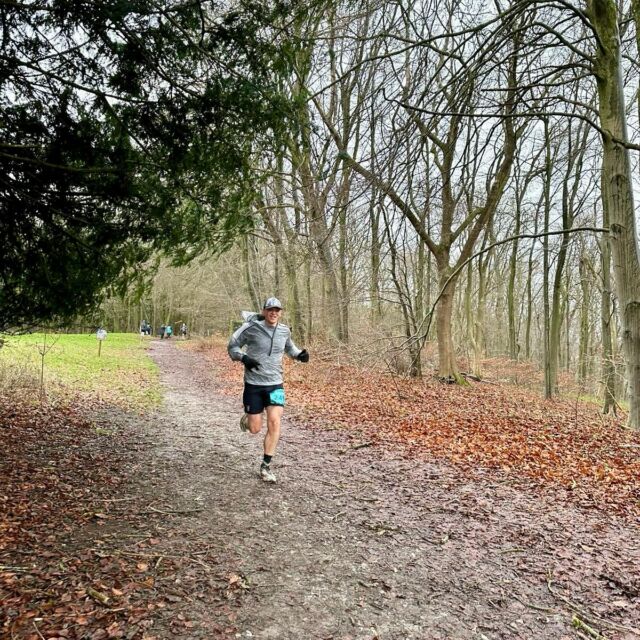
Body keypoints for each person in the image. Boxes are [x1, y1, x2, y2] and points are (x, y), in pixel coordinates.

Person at [228, 297, 309, 483]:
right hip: (254, 384)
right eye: (270, 309)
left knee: (275, 421)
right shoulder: (251, 328)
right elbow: (232, 346)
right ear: (264, 311)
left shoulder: (284, 330)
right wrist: (243, 358)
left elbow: (290, 348)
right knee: (256, 428)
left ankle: (265, 466)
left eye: (277, 310)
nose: (274, 313)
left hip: (275, 383)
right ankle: (249, 419)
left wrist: (299, 355)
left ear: (281, 312)